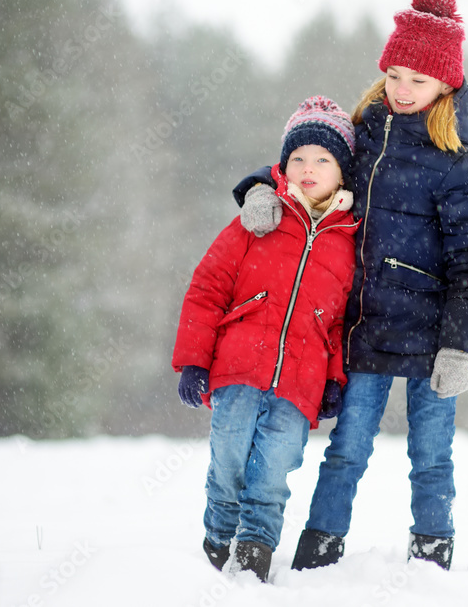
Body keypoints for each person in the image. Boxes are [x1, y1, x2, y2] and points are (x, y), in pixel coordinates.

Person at [232, 0, 468, 571]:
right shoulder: (365, 136)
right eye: (395, 74)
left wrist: (459, 346)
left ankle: (432, 556)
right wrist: (259, 187)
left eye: (418, 81)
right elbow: (309, 163)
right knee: (347, 449)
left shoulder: (459, 166)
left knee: (431, 455)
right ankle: (319, 550)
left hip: (433, 337)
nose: (403, 90)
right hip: (366, 328)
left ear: (446, 88)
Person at [172, 96, 360, 582]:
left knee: (273, 473)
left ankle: (254, 551)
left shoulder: (348, 242)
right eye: (298, 158)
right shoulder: (258, 221)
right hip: (237, 371)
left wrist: (334, 379)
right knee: (230, 460)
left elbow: (341, 323)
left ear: (343, 172)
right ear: (283, 164)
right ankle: (218, 542)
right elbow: (207, 288)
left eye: (323, 159)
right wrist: (195, 361)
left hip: (301, 384)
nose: (308, 169)